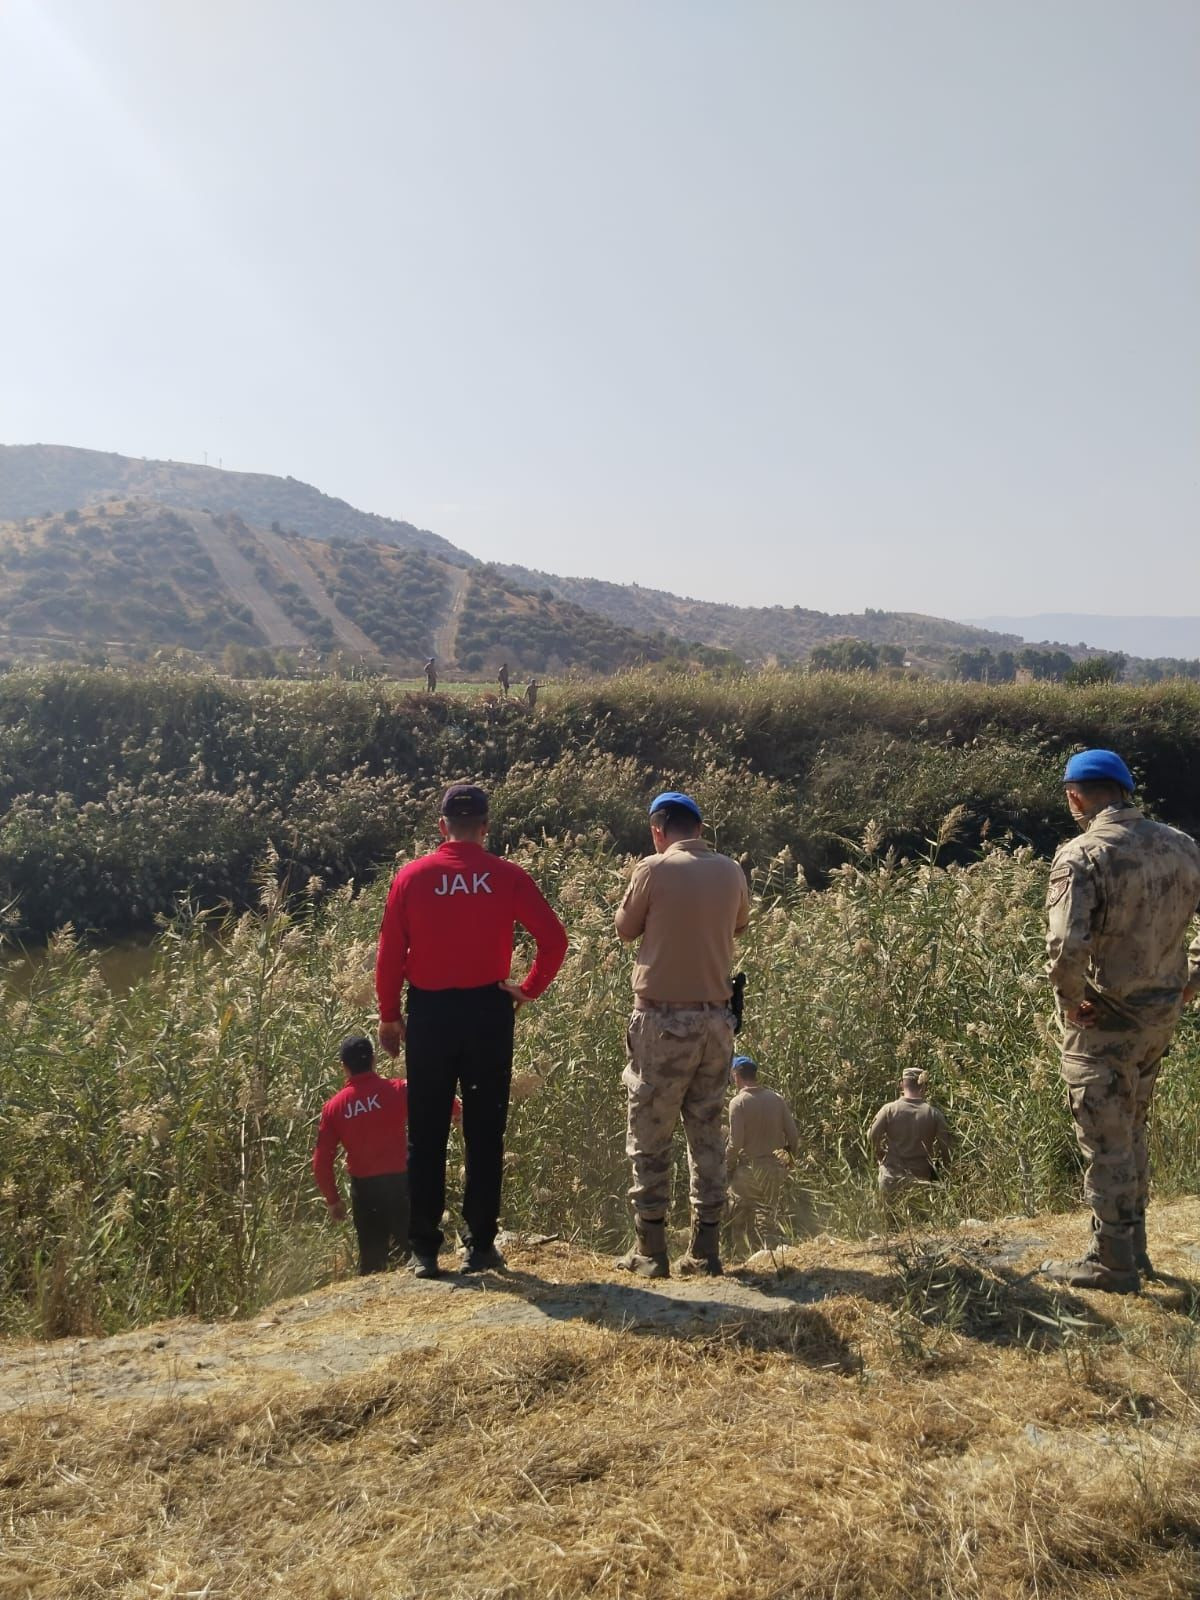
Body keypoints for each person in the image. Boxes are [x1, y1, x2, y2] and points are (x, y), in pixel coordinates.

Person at [375, 783, 569, 1278]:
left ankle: (424, 1250)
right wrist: (527, 989)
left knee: (427, 1131)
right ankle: (480, 1244)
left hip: (431, 1017)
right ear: (485, 827)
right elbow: (554, 939)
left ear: (442, 827)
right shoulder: (506, 876)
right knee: (484, 1129)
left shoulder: (411, 877)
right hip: (488, 1014)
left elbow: (390, 956)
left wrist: (388, 1015)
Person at [1040, 749, 1200, 1293]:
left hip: (1103, 1020)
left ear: (1075, 795)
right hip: (1161, 1015)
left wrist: (1070, 1000)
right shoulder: (1181, 846)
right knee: (1131, 1130)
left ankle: (1113, 1265)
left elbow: (1066, 945)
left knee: (1104, 1138)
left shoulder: (1082, 853)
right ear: (1125, 790)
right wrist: (1192, 978)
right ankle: (1134, 1251)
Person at [614, 790, 750, 1278]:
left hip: (662, 1022)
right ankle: (706, 1251)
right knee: (707, 1134)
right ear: (699, 826)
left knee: (650, 1134)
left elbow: (625, 929)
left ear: (658, 830)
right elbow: (739, 925)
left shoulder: (652, 869)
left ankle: (651, 1251)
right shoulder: (732, 870)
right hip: (717, 1022)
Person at [311, 1036, 412, 1275]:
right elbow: (434, 1095)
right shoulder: (398, 1090)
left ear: (344, 1066)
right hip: (402, 1185)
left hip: (365, 1192)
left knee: (373, 1265)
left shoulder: (334, 1107)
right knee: (414, 1255)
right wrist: (458, 1114)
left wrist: (333, 1200)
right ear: (374, 1060)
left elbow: (321, 1161)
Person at [725, 1055, 799, 1260]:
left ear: (736, 1075)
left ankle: (742, 1259)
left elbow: (735, 1143)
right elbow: (793, 1136)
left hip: (749, 1170)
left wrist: (727, 1167)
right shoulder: (776, 1098)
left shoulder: (738, 1103)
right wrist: (788, 1163)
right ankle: (771, 1257)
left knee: (738, 1214)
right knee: (767, 1214)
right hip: (775, 1168)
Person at [868, 1068, 952, 1225]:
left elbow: (871, 1136)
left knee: (890, 1229)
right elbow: (945, 1149)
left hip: (891, 1180)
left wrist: (879, 1153)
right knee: (920, 1228)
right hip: (920, 1181)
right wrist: (944, 1172)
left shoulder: (889, 1110)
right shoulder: (933, 1114)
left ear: (901, 1084)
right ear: (924, 1086)